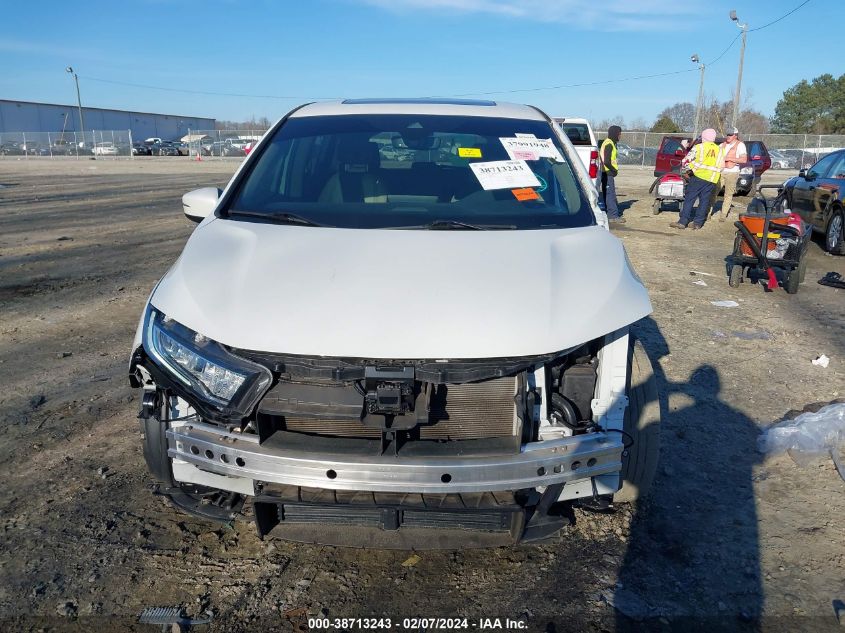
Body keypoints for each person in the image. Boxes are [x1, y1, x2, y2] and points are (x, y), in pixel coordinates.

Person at [670, 128, 724, 230]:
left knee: (689, 199)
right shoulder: (720, 150)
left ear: (703, 137)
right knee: (704, 201)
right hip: (712, 179)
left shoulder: (699, 147)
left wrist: (688, 171)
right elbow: (722, 166)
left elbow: (685, 161)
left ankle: (683, 222)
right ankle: (698, 223)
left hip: (698, 177)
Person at [713, 126, 747, 221]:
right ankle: (708, 212)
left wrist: (729, 158)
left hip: (732, 173)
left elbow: (744, 160)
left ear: (735, 135)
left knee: (728, 194)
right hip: (720, 171)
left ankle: (723, 215)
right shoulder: (722, 145)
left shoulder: (740, 145)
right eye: (727, 134)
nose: (728, 136)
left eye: (730, 135)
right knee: (714, 192)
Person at [600, 125, 624, 224]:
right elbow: (606, 161)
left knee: (608, 194)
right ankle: (613, 216)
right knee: (610, 194)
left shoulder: (609, 142)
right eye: (619, 134)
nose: (620, 136)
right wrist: (614, 170)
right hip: (608, 173)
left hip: (606, 172)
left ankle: (609, 213)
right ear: (615, 133)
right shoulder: (609, 144)